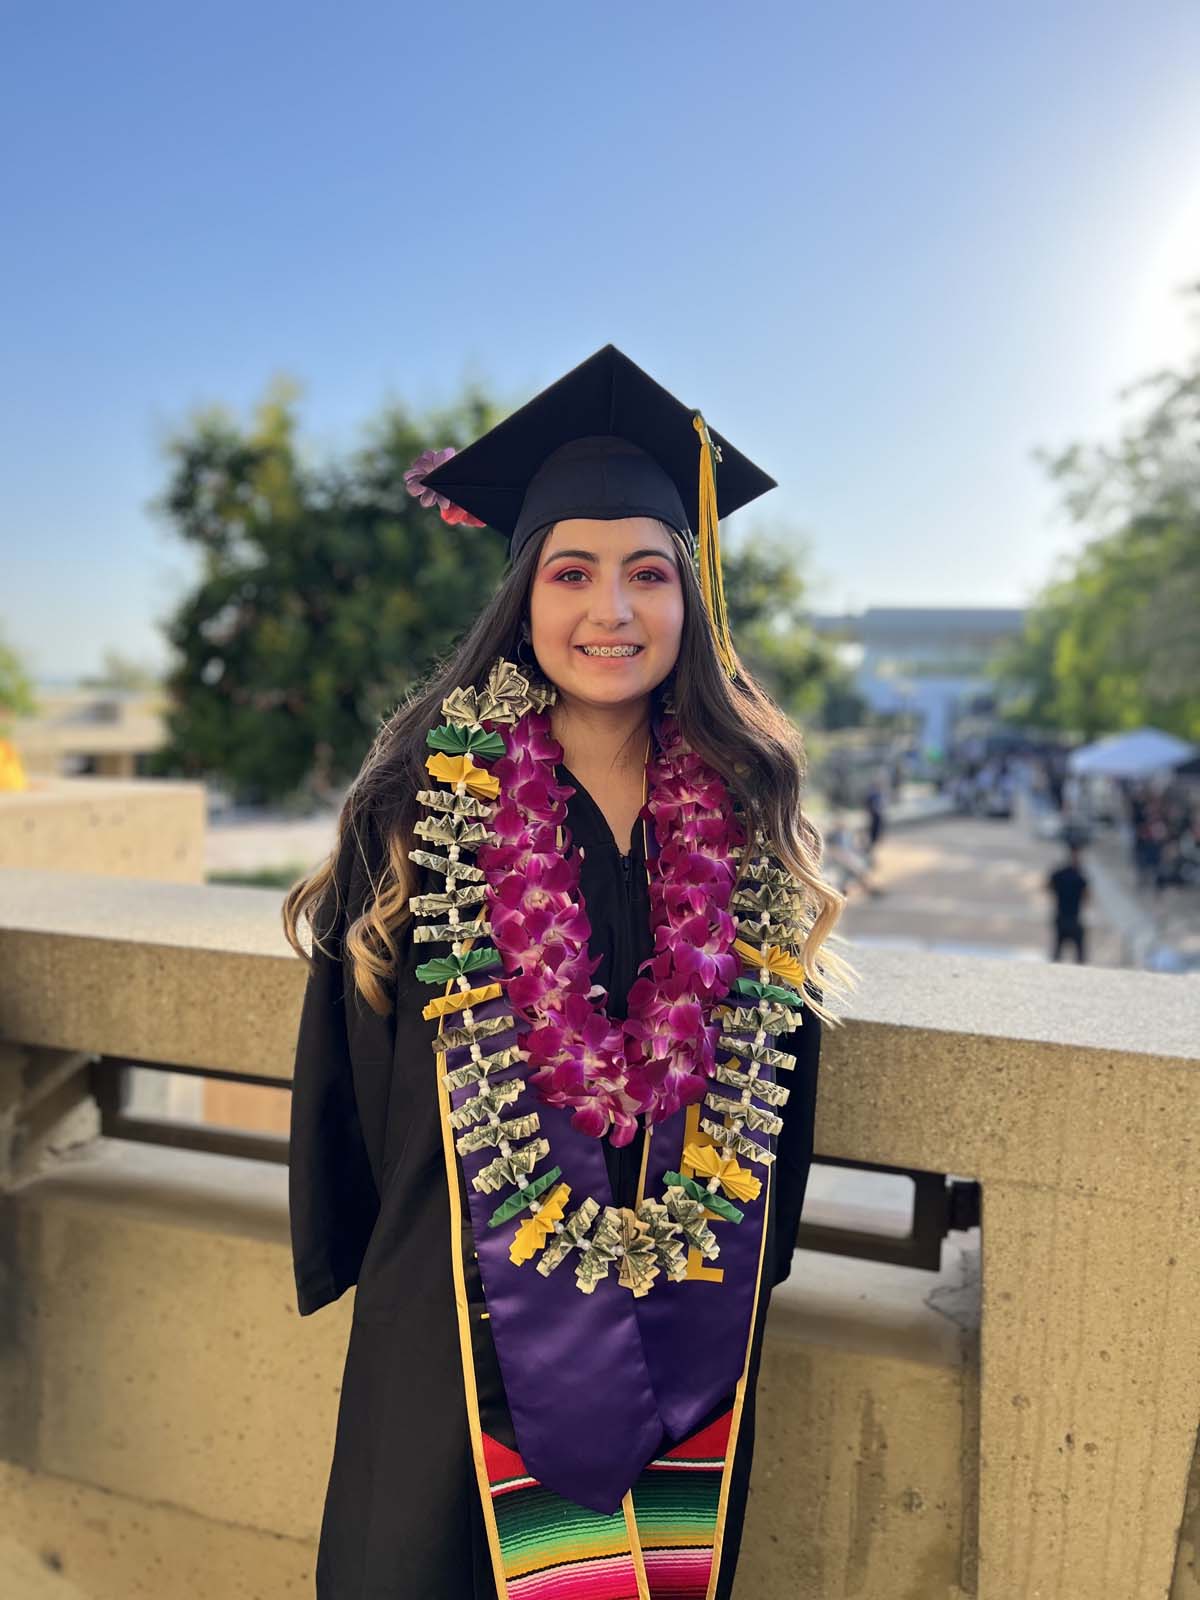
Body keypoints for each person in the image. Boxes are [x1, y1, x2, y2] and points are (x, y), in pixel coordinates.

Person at [283, 344, 852, 1600]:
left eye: (650, 572)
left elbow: (779, 1062)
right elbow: (357, 1062)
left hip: (685, 1316)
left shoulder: (745, 811)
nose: (613, 610)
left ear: (688, 598)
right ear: (523, 595)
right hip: (457, 1308)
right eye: (573, 572)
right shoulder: (421, 804)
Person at [1047, 843, 1089, 963]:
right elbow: (1087, 897)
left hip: (1061, 916)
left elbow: (1048, 887)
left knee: (1058, 950)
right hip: (1073, 917)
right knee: (1079, 954)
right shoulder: (1080, 876)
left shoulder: (1059, 873)